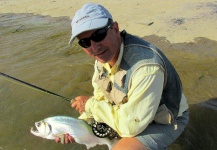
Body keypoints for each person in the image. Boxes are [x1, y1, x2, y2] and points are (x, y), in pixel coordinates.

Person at [56, 3, 189, 150]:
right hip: (132, 115)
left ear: (115, 29)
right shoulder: (102, 57)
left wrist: (89, 105)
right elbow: (100, 98)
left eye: (98, 35)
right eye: (85, 42)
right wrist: (77, 127)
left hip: (163, 121)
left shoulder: (146, 68)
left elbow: (130, 127)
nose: (94, 47)